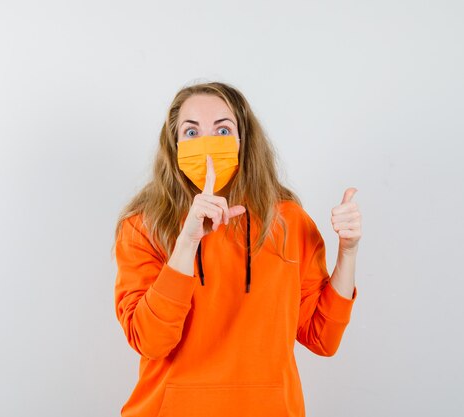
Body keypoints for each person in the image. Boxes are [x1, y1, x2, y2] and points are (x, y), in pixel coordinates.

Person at [111, 81, 361, 417]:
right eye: (191, 132)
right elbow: (151, 341)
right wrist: (186, 242)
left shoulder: (288, 220)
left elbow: (322, 337)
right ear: (173, 145)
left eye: (223, 129)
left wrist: (348, 251)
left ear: (244, 141)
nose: (208, 144)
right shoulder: (143, 226)